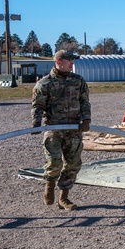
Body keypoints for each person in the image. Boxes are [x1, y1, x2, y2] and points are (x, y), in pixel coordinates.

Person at [31, 49, 91, 211]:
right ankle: (49, 187)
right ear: (59, 62)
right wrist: (36, 123)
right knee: (54, 162)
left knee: (73, 164)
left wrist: (86, 119)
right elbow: (38, 106)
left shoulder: (78, 81)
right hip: (54, 130)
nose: (72, 64)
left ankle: (64, 198)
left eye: (72, 61)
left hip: (74, 129)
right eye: (69, 61)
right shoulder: (45, 83)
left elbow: (85, 101)